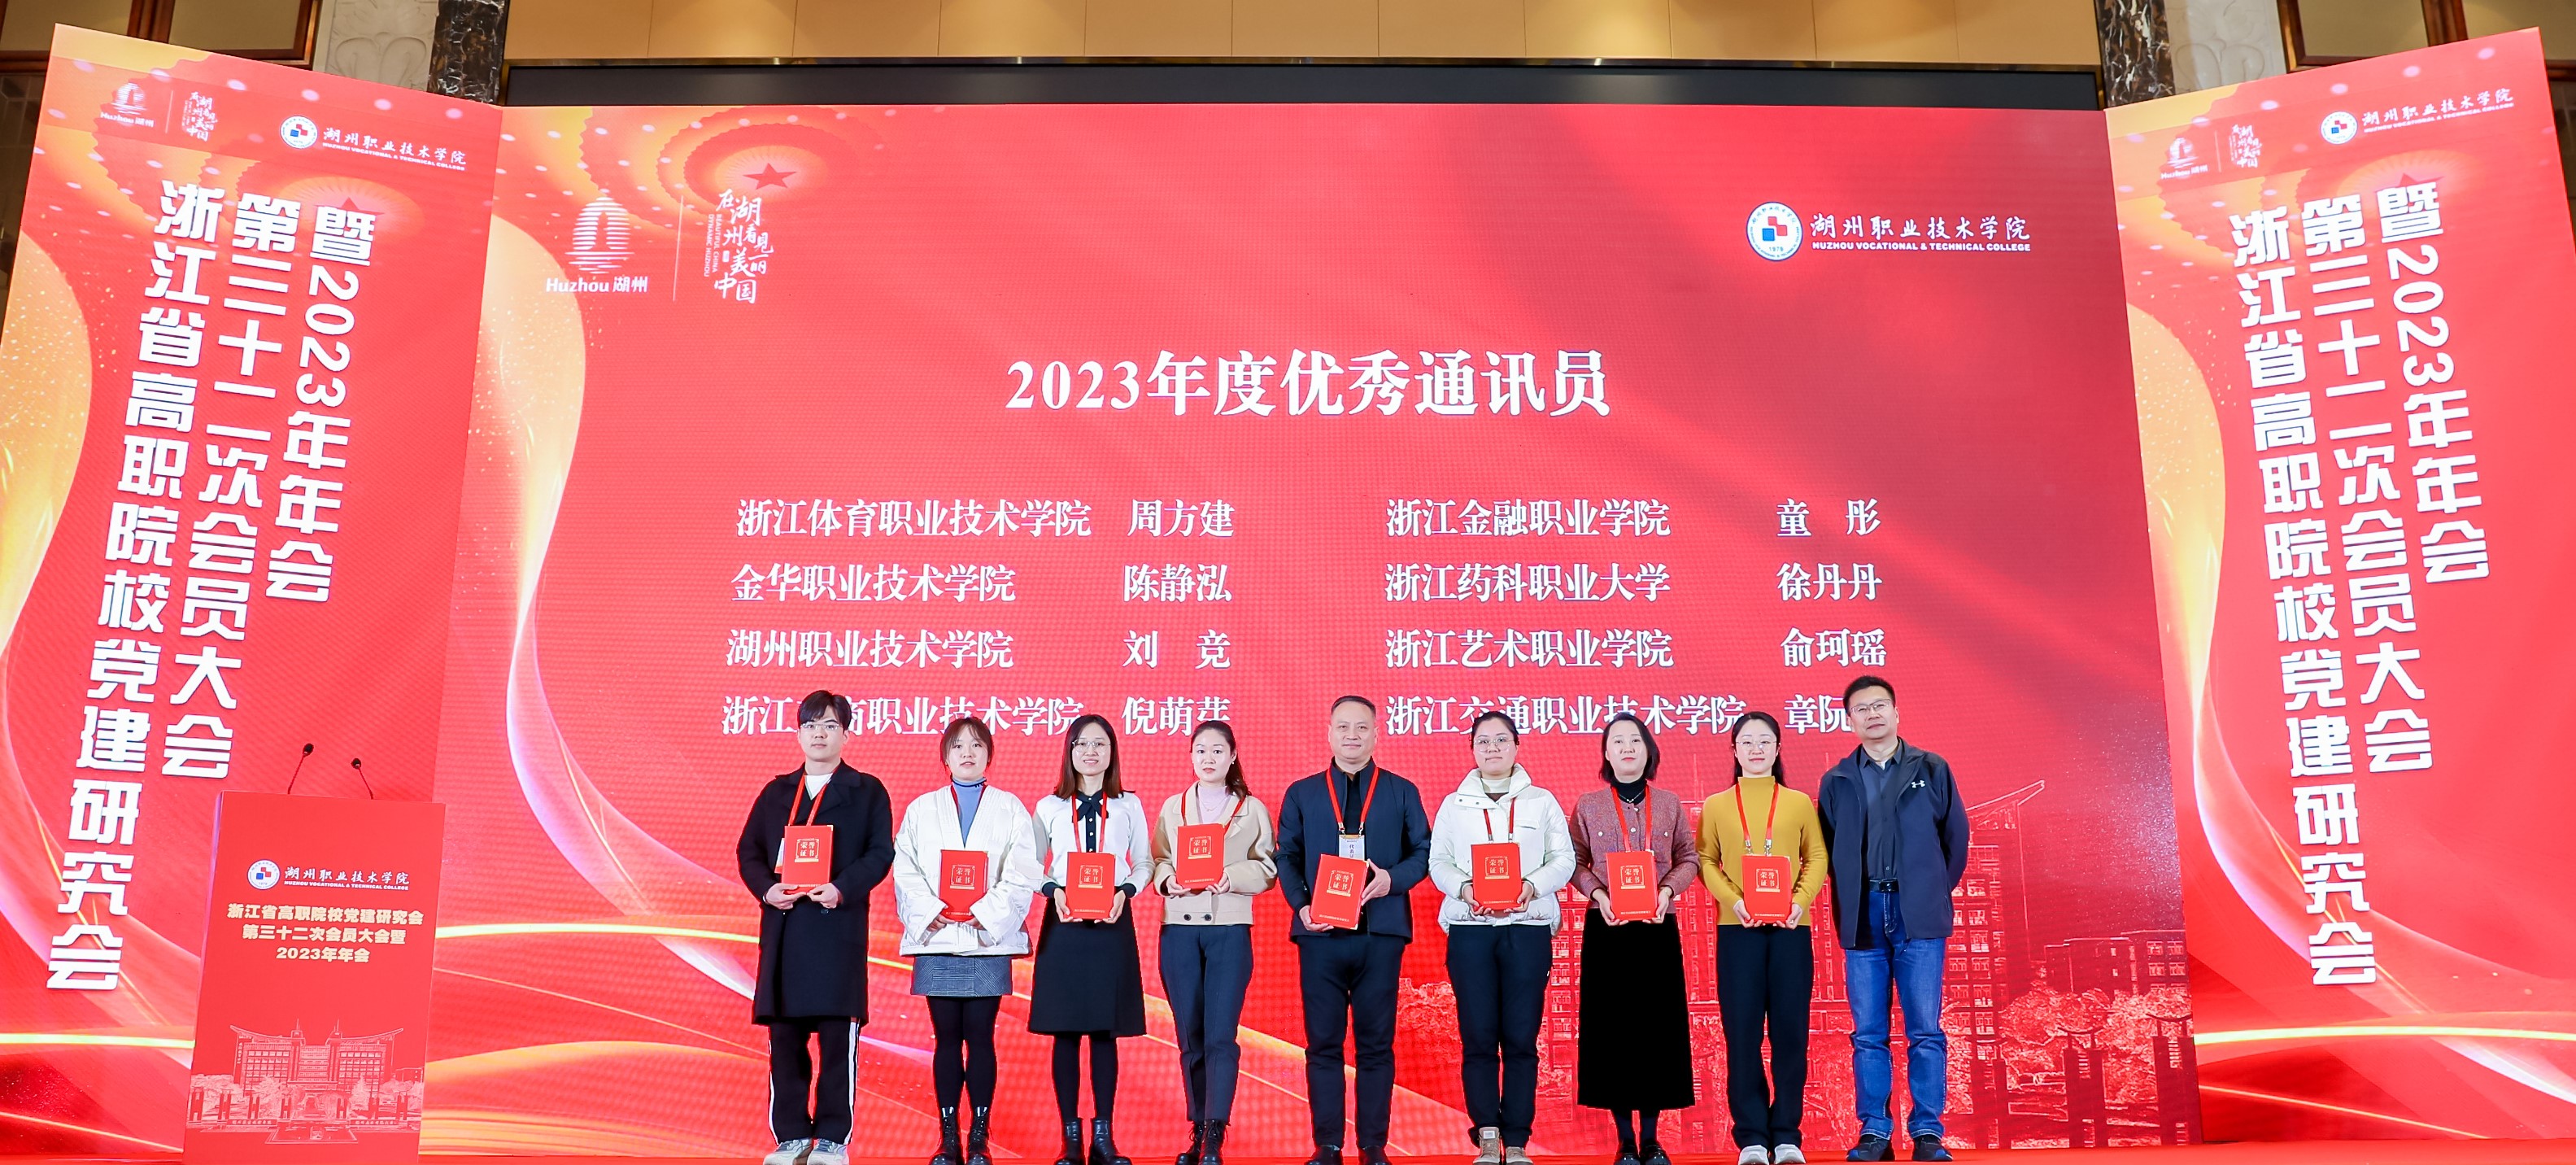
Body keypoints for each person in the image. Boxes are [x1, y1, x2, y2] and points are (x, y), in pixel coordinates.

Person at [735, 690, 896, 1165]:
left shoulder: (867, 791)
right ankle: (790, 1137)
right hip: (786, 928)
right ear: (799, 733)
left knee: (836, 1040)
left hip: (835, 929)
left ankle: (831, 1139)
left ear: (846, 734)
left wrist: (842, 888)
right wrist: (767, 890)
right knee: (785, 1040)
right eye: (810, 725)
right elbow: (749, 852)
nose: (819, 734)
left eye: (829, 725)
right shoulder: (776, 792)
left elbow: (880, 853)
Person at [1814, 676, 1969, 1163]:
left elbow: (1956, 841)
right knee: (1867, 1033)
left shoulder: (1932, 768)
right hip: (1863, 914)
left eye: (1880, 705)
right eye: (1862, 709)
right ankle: (1875, 1132)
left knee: (1925, 1029)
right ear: (1850, 720)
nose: (1873, 715)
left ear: (1897, 713)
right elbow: (1829, 850)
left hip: (1917, 915)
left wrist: (1929, 891)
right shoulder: (1837, 780)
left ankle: (1928, 1132)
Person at [1275, 695, 1432, 1165]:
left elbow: (1423, 852)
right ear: (1329, 733)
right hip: (1320, 933)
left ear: (1376, 734)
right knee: (1323, 1043)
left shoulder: (1401, 791)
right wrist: (1302, 906)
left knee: (1376, 1045)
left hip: (1380, 934)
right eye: (1343, 727)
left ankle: (1373, 1146)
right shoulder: (1302, 793)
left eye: (1361, 727)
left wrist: (1392, 880)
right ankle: (1327, 1145)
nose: (1352, 735)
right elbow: (1287, 856)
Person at [1427, 711, 1576, 1165]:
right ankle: (1487, 1133)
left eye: (1501, 740)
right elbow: (1439, 863)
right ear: (1472, 749)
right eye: (1483, 741)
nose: (1492, 748)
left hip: (1527, 928)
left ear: (1516, 746)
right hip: (1471, 931)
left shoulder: (1541, 801)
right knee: (1478, 1036)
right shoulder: (1454, 805)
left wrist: (1531, 886)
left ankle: (1517, 1138)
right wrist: (1465, 890)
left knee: (1521, 1038)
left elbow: (1563, 859)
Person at [893, 716, 1042, 1165]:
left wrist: (986, 912)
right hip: (937, 938)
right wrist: (931, 911)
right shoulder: (922, 808)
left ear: (989, 755)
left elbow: (1022, 870)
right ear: (945, 757)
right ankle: (947, 1137)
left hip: (986, 941)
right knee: (945, 1038)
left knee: (980, 1037)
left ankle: (979, 1136)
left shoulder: (1010, 807)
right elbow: (905, 868)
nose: (967, 753)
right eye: (958, 746)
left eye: (977, 745)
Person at [1696, 712, 1828, 1165]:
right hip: (1739, 930)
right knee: (1743, 1033)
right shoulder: (1717, 805)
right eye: (1747, 741)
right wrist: (1734, 902)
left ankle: (1787, 1134)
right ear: (1734, 750)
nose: (1756, 749)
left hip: (1791, 929)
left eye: (1765, 741)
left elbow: (1816, 856)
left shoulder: (1798, 802)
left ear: (1777, 749)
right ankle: (1752, 1136)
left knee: (1791, 1034)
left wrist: (1800, 901)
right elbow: (1706, 861)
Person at [1567, 712, 1698, 1165]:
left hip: (1657, 928)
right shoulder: (1588, 805)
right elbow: (1573, 861)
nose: (1627, 748)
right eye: (1618, 741)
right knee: (1613, 1032)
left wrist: (1667, 891)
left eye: (1636, 741)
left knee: (1657, 1032)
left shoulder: (1670, 803)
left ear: (1648, 751)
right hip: (1608, 929)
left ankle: (1652, 1138)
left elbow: (1689, 858)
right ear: (1606, 753)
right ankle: (1625, 1139)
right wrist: (1598, 893)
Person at [1149, 721, 1278, 1165]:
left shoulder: (1251, 808)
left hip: (1229, 929)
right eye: (1200, 750)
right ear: (1191, 757)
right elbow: (1159, 858)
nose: (1208, 758)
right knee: (1190, 1035)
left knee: (1221, 1035)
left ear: (1233, 756)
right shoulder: (1174, 807)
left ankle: (1216, 1133)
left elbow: (1268, 866)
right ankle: (1198, 1127)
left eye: (1217, 751)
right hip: (1179, 930)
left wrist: (1231, 877)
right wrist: (1167, 880)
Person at [1029, 714, 1153, 1165]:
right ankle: (1070, 1139)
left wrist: (1126, 892)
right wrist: (1052, 891)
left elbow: (1145, 862)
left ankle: (1104, 1137)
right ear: (1069, 751)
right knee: (1064, 1032)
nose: (1091, 752)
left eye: (1100, 744)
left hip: (1112, 921)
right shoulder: (1048, 806)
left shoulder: (1128, 805)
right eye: (1081, 744)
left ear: (1112, 752)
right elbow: (1028, 864)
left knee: (1105, 1032)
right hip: (1063, 922)